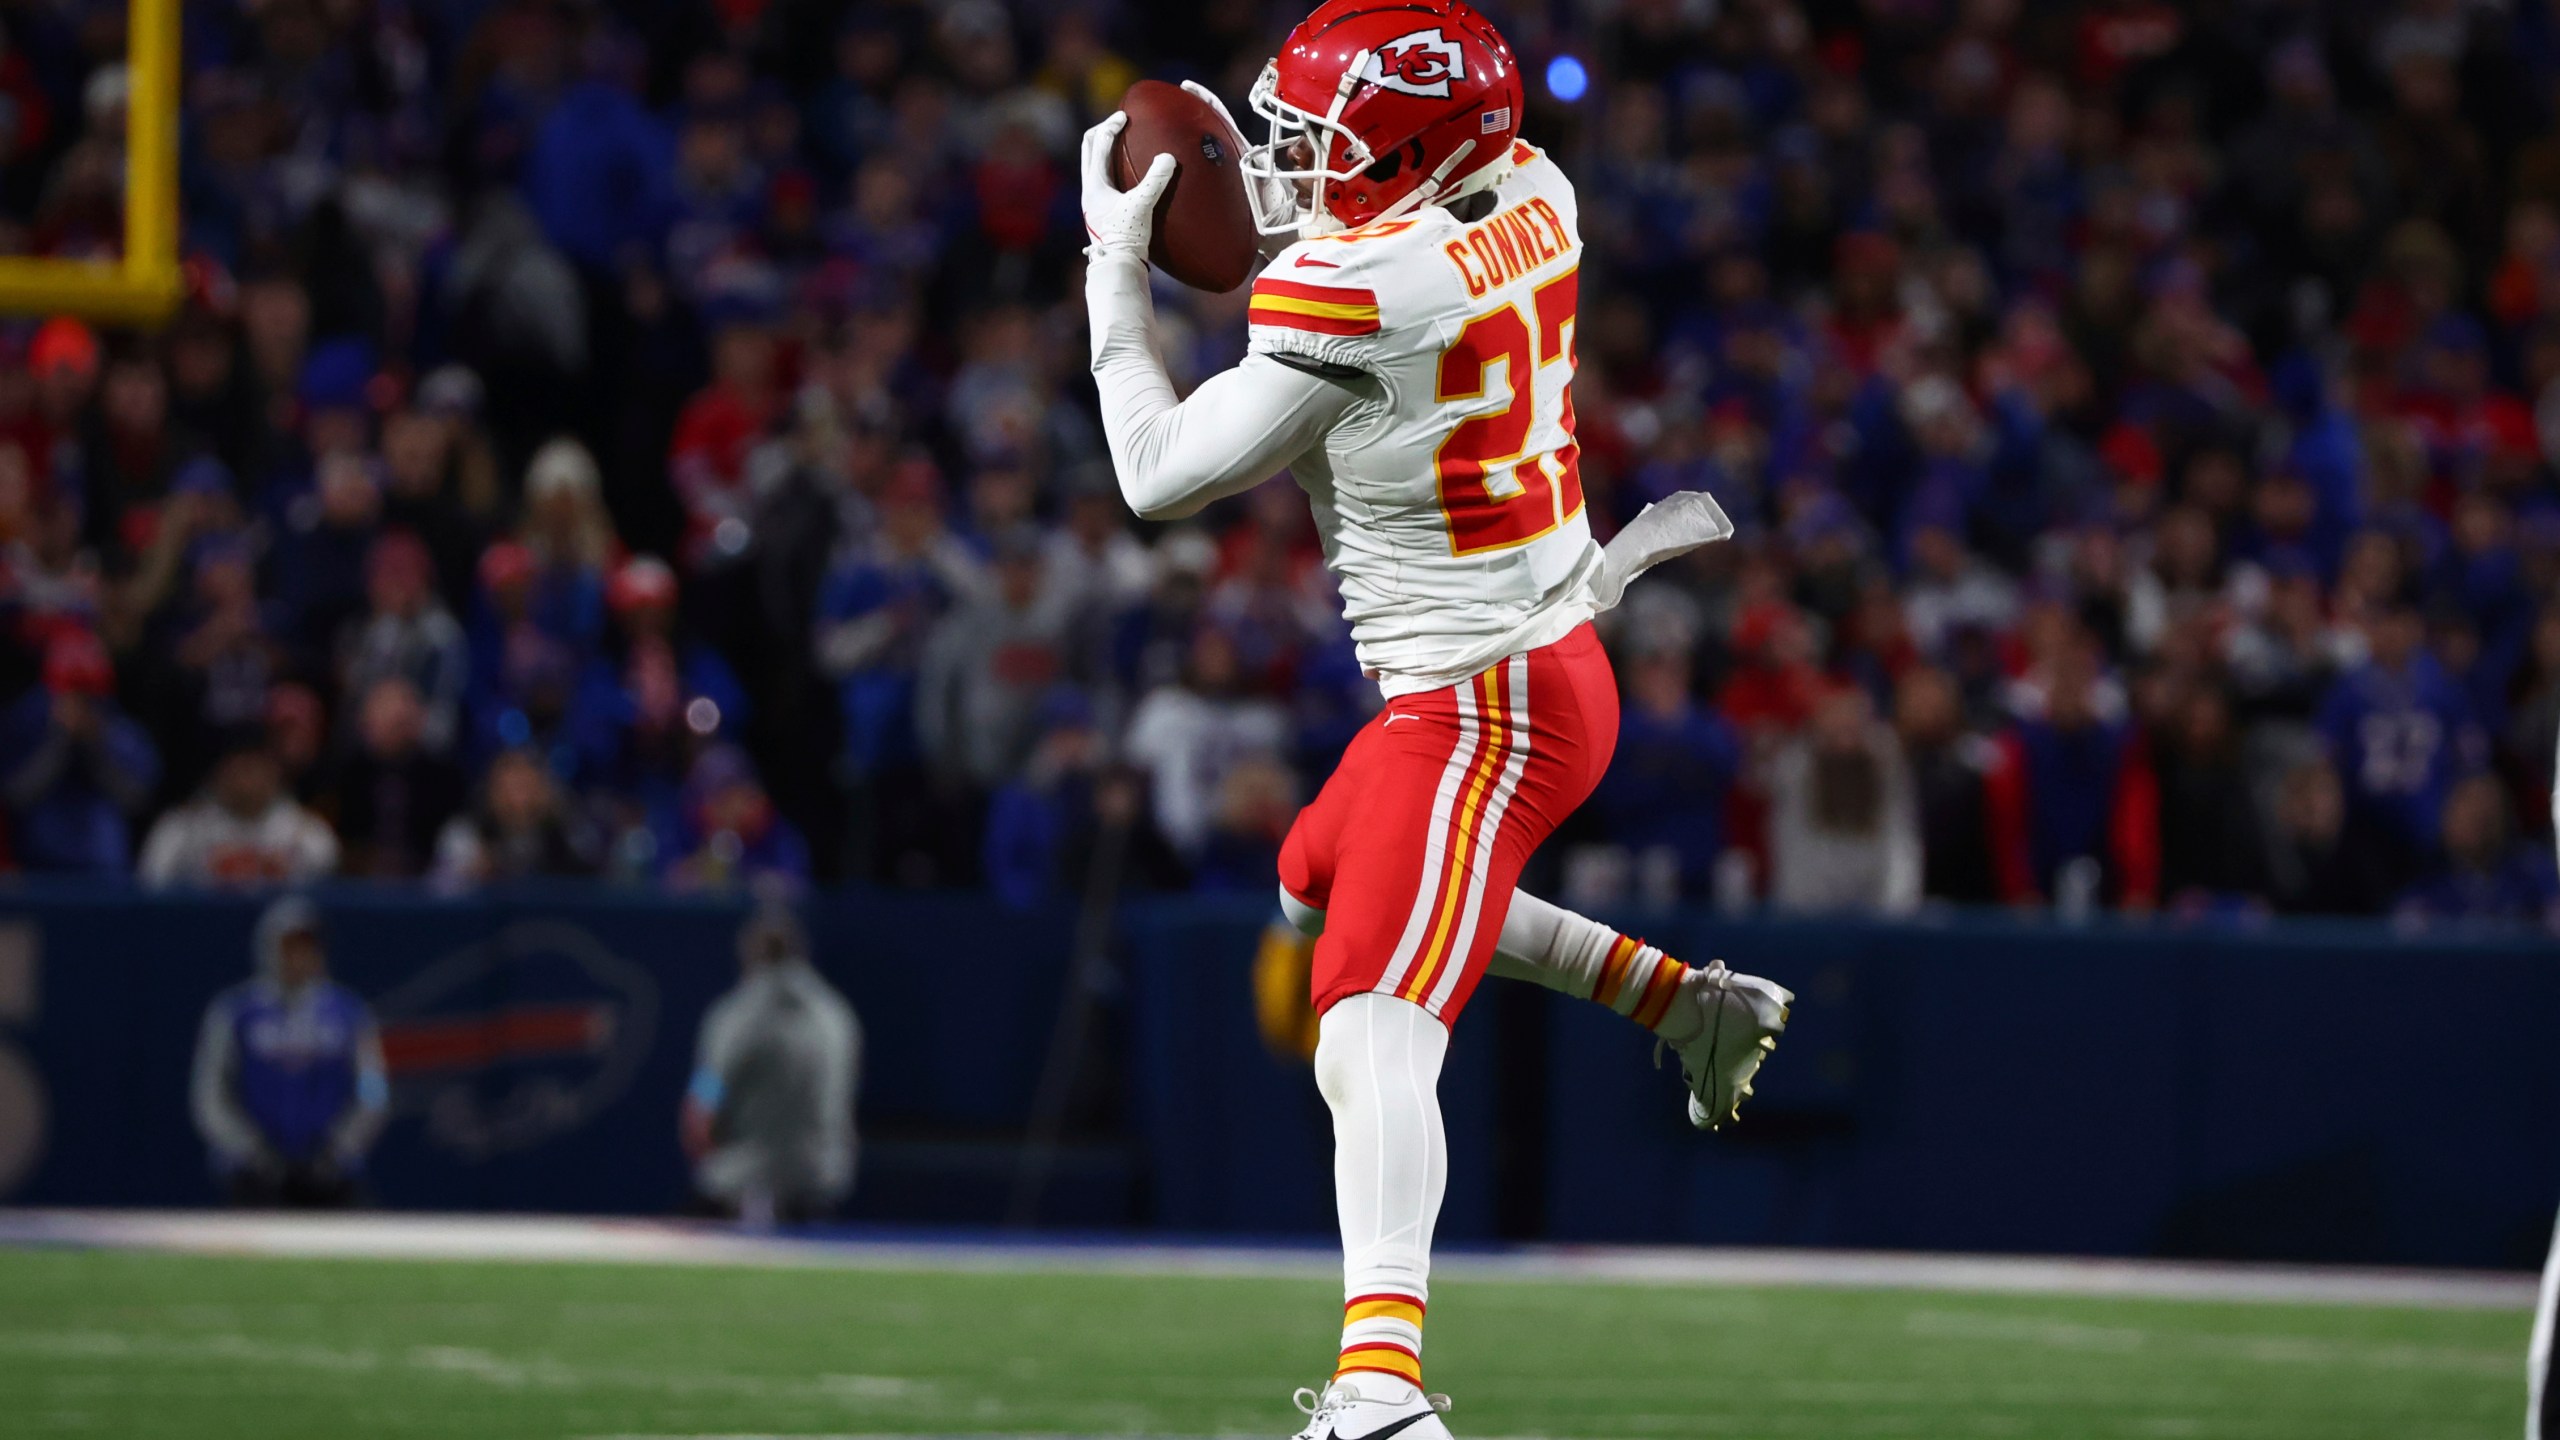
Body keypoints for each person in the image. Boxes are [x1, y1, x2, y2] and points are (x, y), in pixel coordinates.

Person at [1079, 8, 1789, 1435]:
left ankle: (1382, 1389)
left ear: (1406, 156)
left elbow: (1155, 473)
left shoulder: (1361, 295)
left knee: (1370, 1020)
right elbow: (1369, 220)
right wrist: (1242, 177)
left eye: (1329, 141)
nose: (1299, 160)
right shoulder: (1535, 188)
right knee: (1311, 879)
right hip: (1546, 656)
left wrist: (1115, 261)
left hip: (1481, 703)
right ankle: (1683, 1003)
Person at [189, 896, 388, 1207]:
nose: (299, 957)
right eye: (290, 946)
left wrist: (340, 1148)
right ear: (269, 947)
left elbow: (373, 1089)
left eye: (307, 946)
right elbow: (210, 1094)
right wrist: (251, 1150)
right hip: (253, 1173)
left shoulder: (349, 1012)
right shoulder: (236, 1012)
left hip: (331, 1172)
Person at [680, 903, 861, 1225]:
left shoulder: (736, 1016)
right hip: (824, 1182)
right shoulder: (838, 1015)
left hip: (746, 1184)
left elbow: (700, 1112)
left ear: (748, 953)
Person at [138, 736, 339, 888]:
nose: (246, 778)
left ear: (274, 771)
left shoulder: (307, 832)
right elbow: (151, 891)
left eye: (254, 765)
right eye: (238, 765)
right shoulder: (181, 828)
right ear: (219, 771)